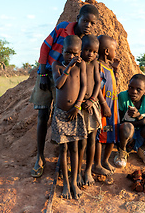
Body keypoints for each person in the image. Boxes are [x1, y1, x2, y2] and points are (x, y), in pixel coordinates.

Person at [30, 4, 99, 178]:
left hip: (67, 83)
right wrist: (43, 72)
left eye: (92, 23)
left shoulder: (86, 41)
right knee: (43, 115)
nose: (88, 25)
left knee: (64, 118)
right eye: (85, 21)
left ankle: (63, 161)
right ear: (78, 18)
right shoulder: (62, 28)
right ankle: (39, 157)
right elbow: (45, 47)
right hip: (48, 73)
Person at [50, 35, 87, 199]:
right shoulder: (56, 65)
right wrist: (69, 67)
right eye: (67, 53)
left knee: (75, 148)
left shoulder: (82, 66)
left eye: (74, 54)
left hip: (75, 113)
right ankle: (65, 182)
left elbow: (84, 86)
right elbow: (59, 84)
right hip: (60, 114)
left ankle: (73, 182)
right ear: (62, 51)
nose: (71, 56)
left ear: (79, 53)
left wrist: (78, 105)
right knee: (63, 149)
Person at [114, 74, 145, 168]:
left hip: (141, 134)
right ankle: (122, 151)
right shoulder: (123, 97)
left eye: (138, 89)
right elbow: (118, 122)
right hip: (125, 135)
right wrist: (142, 121)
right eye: (131, 87)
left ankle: (143, 149)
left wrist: (139, 116)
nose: (133, 92)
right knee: (127, 127)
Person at [93, 35, 120, 175]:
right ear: (106, 51)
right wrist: (104, 105)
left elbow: (111, 84)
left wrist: (115, 70)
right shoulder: (98, 67)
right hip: (104, 108)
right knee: (100, 136)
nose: (116, 52)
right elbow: (97, 88)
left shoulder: (108, 68)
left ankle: (105, 161)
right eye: (114, 49)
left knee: (112, 135)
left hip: (113, 110)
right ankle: (96, 164)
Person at [77, 34, 101, 186]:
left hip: (92, 105)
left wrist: (92, 99)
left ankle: (88, 171)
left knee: (92, 140)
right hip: (80, 107)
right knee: (81, 141)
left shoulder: (95, 64)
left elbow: (98, 82)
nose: (90, 54)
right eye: (87, 50)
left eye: (93, 51)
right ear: (80, 50)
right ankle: (78, 171)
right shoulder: (78, 63)